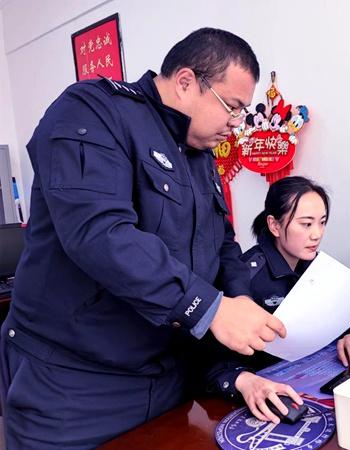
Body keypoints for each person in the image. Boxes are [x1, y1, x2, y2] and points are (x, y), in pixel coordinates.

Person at [0, 28, 287, 447]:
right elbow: (100, 233)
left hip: (166, 376)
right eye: (232, 107)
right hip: (74, 387)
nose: (235, 123)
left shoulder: (199, 154)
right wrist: (211, 309)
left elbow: (222, 243)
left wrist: (240, 301)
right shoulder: (93, 110)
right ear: (186, 81)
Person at [203, 176, 350, 423]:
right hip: (255, 401)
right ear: (274, 226)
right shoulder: (243, 279)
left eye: (322, 222)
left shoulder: (314, 265)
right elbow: (208, 359)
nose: (317, 234)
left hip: (308, 382)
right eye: (306, 224)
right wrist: (243, 379)